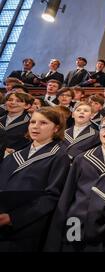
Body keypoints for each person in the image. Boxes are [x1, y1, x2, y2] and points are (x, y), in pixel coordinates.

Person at [46, 115, 105, 252]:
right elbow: (67, 194)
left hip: (103, 228)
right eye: (103, 127)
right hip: (75, 222)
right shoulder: (82, 158)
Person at [0, 107, 70, 251]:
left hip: (26, 227)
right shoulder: (15, 155)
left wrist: (13, 218)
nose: (35, 126)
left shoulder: (59, 156)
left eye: (43, 123)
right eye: (32, 122)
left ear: (56, 128)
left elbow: (51, 196)